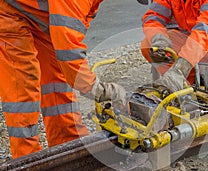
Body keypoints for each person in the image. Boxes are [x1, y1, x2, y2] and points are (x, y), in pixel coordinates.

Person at [0, 0, 126, 158]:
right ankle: (26, 160)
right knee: (22, 87)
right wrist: (96, 88)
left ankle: (68, 147)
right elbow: (69, 51)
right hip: (7, 10)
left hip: (38, 15)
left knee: (57, 81)